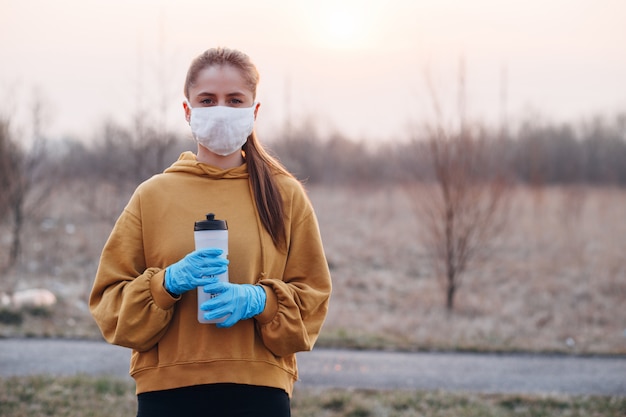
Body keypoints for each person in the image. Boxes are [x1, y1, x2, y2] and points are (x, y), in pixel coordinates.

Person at [89, 47, 332, 417]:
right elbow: (109, 305)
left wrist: (260, 301)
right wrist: (165, 284)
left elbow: (312, 300)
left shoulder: (285, 195)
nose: (221, 110)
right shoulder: (152, 196)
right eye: (208, 100)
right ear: (187, 111)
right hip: (167, 395)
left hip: (259, 394)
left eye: (235, 100)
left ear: (254, 110)